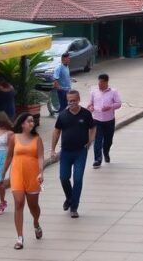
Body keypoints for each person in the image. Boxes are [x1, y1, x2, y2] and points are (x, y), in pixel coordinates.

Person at [51, 90, 96, 218]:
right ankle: (69, 198)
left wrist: (90, 140)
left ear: (79, 99)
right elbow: (56, 131)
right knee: (63, 177)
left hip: (80, 151)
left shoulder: (86, 114)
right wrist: (52, 149)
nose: (71, 103)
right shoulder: (63, 115)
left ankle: (74, 207)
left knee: (78, 178)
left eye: (74, 101)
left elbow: (93, 127)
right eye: (69, 101)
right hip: (65, 152)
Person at [5, 113, 45, 250]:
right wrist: (2, 174)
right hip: (17, 175)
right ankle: (20, 238)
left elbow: (40, 157)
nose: (31, 123)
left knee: (33, 206)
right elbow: (9, 156)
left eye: (32, 121)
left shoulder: (37, 139)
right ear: (22, 124)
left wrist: (41, 172)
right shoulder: (14, 138)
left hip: (33, 175)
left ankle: (36, 222)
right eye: (29, 121)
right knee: (19, 203)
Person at [88, 73, 122, 167]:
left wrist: (110, 107)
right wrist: (90, 107)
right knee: (97, 140)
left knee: (108, 140)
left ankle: (106, 152)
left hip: (109, 120)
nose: (100, 84)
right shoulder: (93, 92)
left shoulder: (113, 92)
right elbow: (90, 103)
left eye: (102, 82)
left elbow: (119, 103)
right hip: (97, 120)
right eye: (99, 82)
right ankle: (97, 159)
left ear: (106, 82)